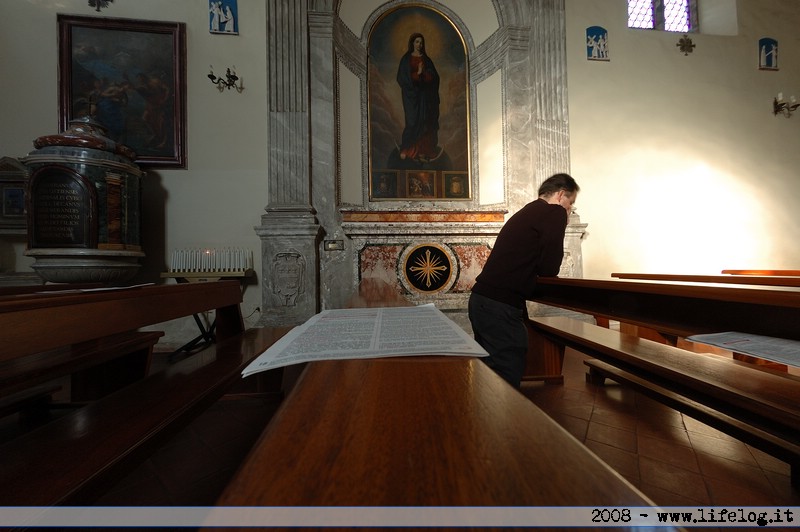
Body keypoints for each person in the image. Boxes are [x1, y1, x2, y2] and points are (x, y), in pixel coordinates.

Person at [468, 173, 580, 388]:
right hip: (500, 305)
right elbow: (550, 268)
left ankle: (485, 419)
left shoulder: (529, 210)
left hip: (482, 299)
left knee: (488, 371)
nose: (569, 210)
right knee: (506, 372)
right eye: (570, 203)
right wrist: (562, 220)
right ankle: (505, 422)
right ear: (560, 194)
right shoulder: (554, 211)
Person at [396, 33, 440, 163]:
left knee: (426, 122)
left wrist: (425, 74)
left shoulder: (427, 60)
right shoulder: (406, 59)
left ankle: (424, 151)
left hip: (425, 97)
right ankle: (407, 149)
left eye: (421, 42)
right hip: (411, 96)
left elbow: (435, 77)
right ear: (412, 43)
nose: (419, 45)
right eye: (417, 42)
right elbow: (402, 78)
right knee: (412, 122)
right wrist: (417, 74)